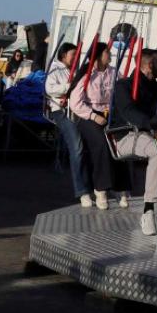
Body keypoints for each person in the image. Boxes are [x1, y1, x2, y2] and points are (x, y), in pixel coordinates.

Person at [109, 48, 157, 236]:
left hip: (149, 135)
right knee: (154, 149)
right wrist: (154, 125)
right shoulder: (123, 85)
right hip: (125, 137)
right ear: (149, 65)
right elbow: (131, 114)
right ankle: (148, 210)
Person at [69, 42, 118, 210]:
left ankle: (121, 188)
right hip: (88, 116)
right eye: (106, 52)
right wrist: (92, 116)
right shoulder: (87, 74)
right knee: (102, 146)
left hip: (109, 115)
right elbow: (75, 102)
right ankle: (100, 189)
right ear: (97, 55)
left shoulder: (113, 72)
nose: (109, 55)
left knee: (120, 144)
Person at [44, 43, 92, 205]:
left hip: (77, 111)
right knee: (77, 147)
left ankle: (89, 186)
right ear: (64, 55)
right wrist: (68, 88)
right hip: (61, 111)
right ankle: (81, 190)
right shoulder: (55, 69)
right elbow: (49, 89)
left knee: (85, 148)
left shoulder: (75, 70)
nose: (76, 58)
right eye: (73, 54)